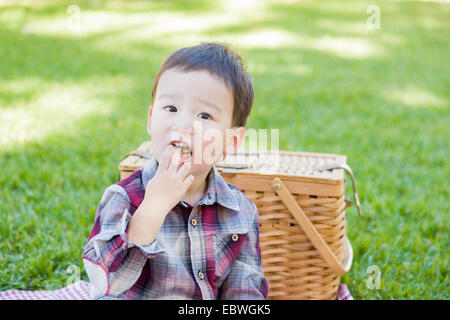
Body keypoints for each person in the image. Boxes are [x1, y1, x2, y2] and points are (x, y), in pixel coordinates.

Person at [82, 42, 270, 300]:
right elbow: (107, 284)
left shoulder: (240, 212)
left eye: (204, 116)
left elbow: (244, 289)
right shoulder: (124, 198)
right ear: (150, 120)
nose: (183, 125)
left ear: (231, 141)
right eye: (171, 109)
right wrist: (153, 207)